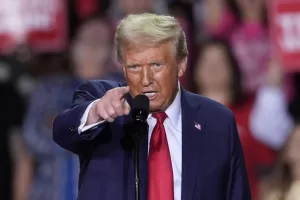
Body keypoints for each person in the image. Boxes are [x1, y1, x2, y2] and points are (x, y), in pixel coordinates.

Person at [53, 13, 251, 200]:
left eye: (157, 65)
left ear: (181, 64)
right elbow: (63, 130)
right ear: (123, 67)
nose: (146, 79)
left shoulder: (217, 121)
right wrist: (97, 112)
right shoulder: (105, 103)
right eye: (135, 67)